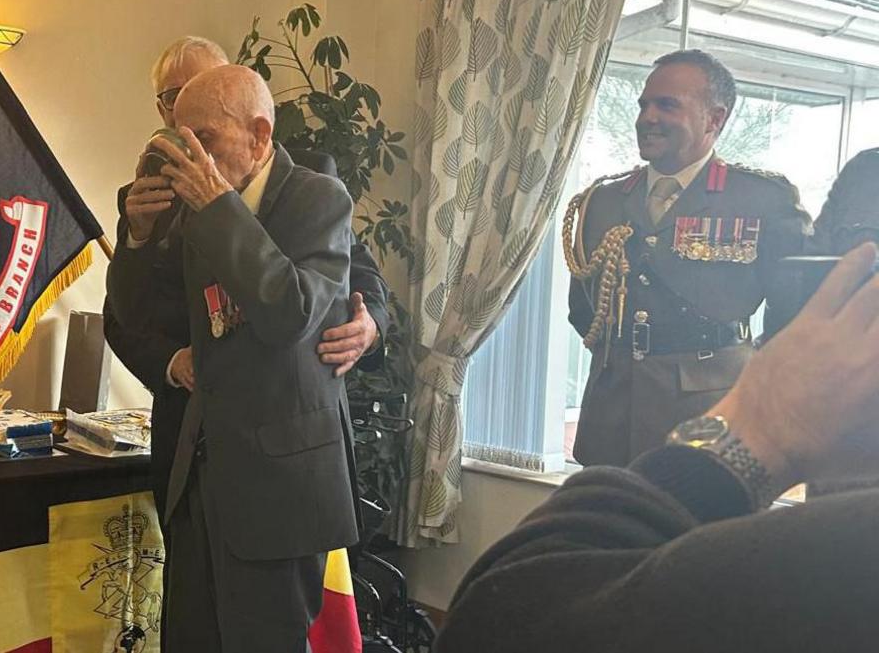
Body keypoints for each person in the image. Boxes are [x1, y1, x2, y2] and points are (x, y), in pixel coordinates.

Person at [437, 242, 879, 653]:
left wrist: (760, 429)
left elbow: (508, 620)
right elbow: (585, 311)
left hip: (697, 402)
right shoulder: (608, 199)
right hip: (623, 408)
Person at [109, 65, 360, 651]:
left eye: (207, 143)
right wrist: (139, 237)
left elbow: (290, 313)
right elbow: (135, 315)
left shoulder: (317, 199)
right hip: (200, 469)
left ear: (259, 135)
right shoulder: (193, 208)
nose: (191, 161)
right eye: (183, 142)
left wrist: (219, 207)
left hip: (279, 484)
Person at [102, 35, 388, 530]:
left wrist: (372, 326)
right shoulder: (144, 193)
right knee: (189, 597)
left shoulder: (306, 182)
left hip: (277, 439)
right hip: (188, 426)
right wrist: (170, 360)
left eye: (205, 86)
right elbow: (123, 315)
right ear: (163, 109)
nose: (188, 106)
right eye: (176, 97)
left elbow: (353, 275)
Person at [565, 49, 810, 467]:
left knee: (699, 531)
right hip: (613, 413)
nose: (648, 117)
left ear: (714, 119)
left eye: (667, 105)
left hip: (709, 414)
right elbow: (583, 311)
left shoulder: (760, 200)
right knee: (610, 527)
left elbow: (795, 312)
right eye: (644, 105)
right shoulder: (602, 201)